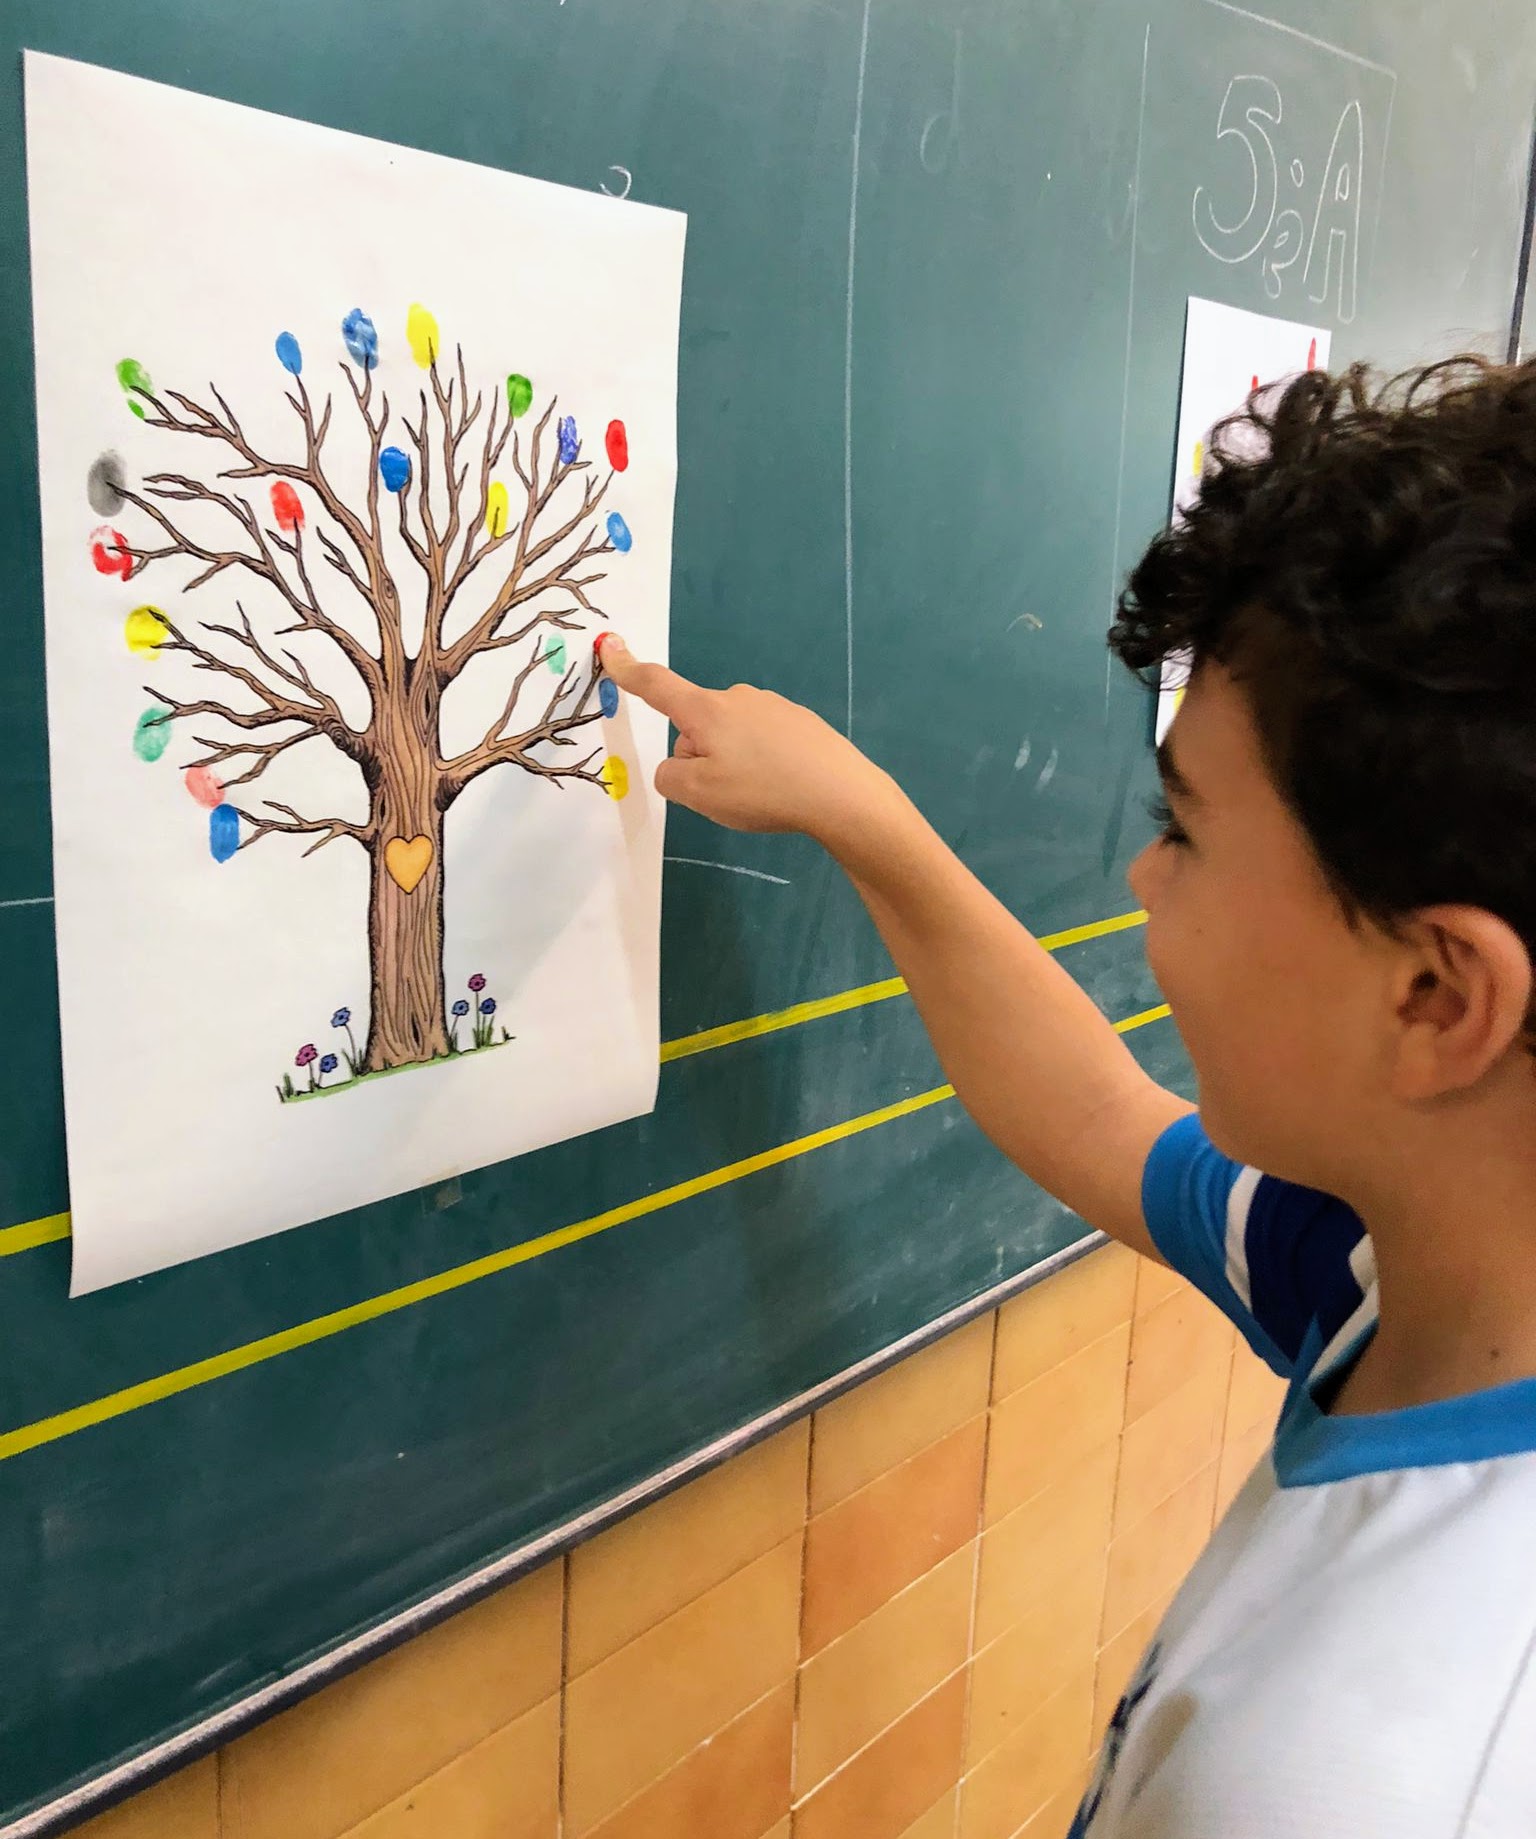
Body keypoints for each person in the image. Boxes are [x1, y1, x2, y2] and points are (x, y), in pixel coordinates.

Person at [597, 355, 1536, 1835]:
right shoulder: (1405, 1280)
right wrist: (862, 816)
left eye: (1187, 830)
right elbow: (1104, 1123)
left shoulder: (1343, 1783)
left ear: (1435, 996)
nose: (1142, 875)